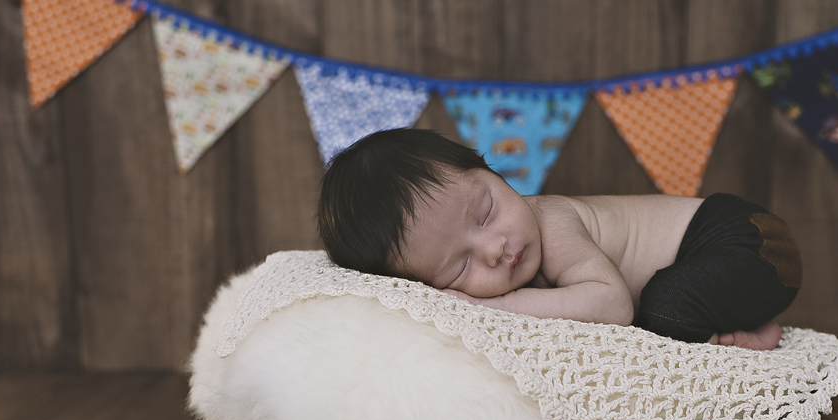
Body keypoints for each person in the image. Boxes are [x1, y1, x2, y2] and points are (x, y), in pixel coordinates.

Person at [317, 128, 800, 350]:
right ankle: (744, 324)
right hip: (728, 264)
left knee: (662, 307)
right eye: (458, 269)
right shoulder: (505, 240)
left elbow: (612, 307)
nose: (494, 249)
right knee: (666, 307)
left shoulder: (550, 219)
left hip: (747, 240)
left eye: (485, 211)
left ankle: (736, 341)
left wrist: (497, 308)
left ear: (495, 172)